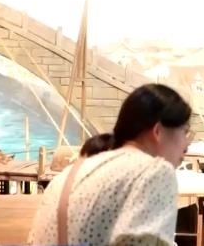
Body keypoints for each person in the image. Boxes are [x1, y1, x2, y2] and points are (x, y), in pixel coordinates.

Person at [28, 84, 193, 246]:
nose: (187, 145)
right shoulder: (155, 172)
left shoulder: (67, 175)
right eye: (185, 132)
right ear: (158, 131)